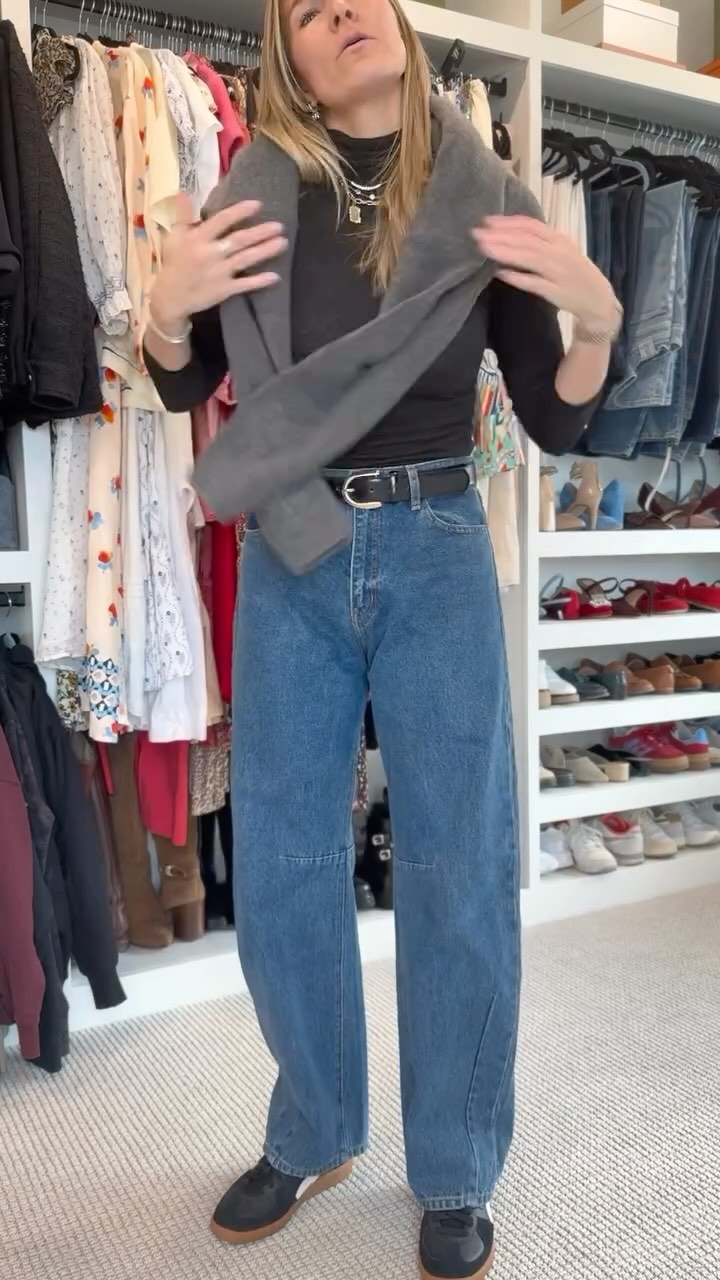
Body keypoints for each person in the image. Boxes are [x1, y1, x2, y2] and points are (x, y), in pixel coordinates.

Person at [144, 1, 620, 1275]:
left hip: (438, 543)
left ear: (400, 26)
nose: (342, 9)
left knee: (459, 862)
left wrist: (596, 324)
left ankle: (457, 1163)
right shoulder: (253, 197)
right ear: (291, 63)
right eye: (307, 8)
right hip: (292, 550)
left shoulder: (482, 201)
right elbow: (184, 380)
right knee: (285, 862)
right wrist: (166, 311)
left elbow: (554, 420)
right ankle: (314, 1128)